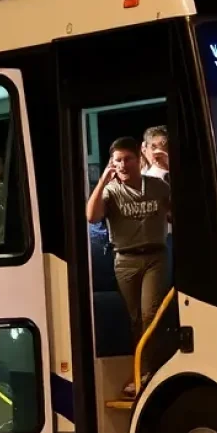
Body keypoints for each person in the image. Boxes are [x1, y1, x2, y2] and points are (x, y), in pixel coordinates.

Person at [86, 136, 171, 397]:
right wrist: (102, 181)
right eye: (117, 161)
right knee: (134, 319)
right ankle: (143, 370)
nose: (123, 165)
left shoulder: (157, 186)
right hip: (125, 259)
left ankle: (149, 373)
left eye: (128, 159)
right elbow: (92, 216)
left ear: (139, 159)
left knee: (150, 314)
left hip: (155, 256)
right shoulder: (111, 191)